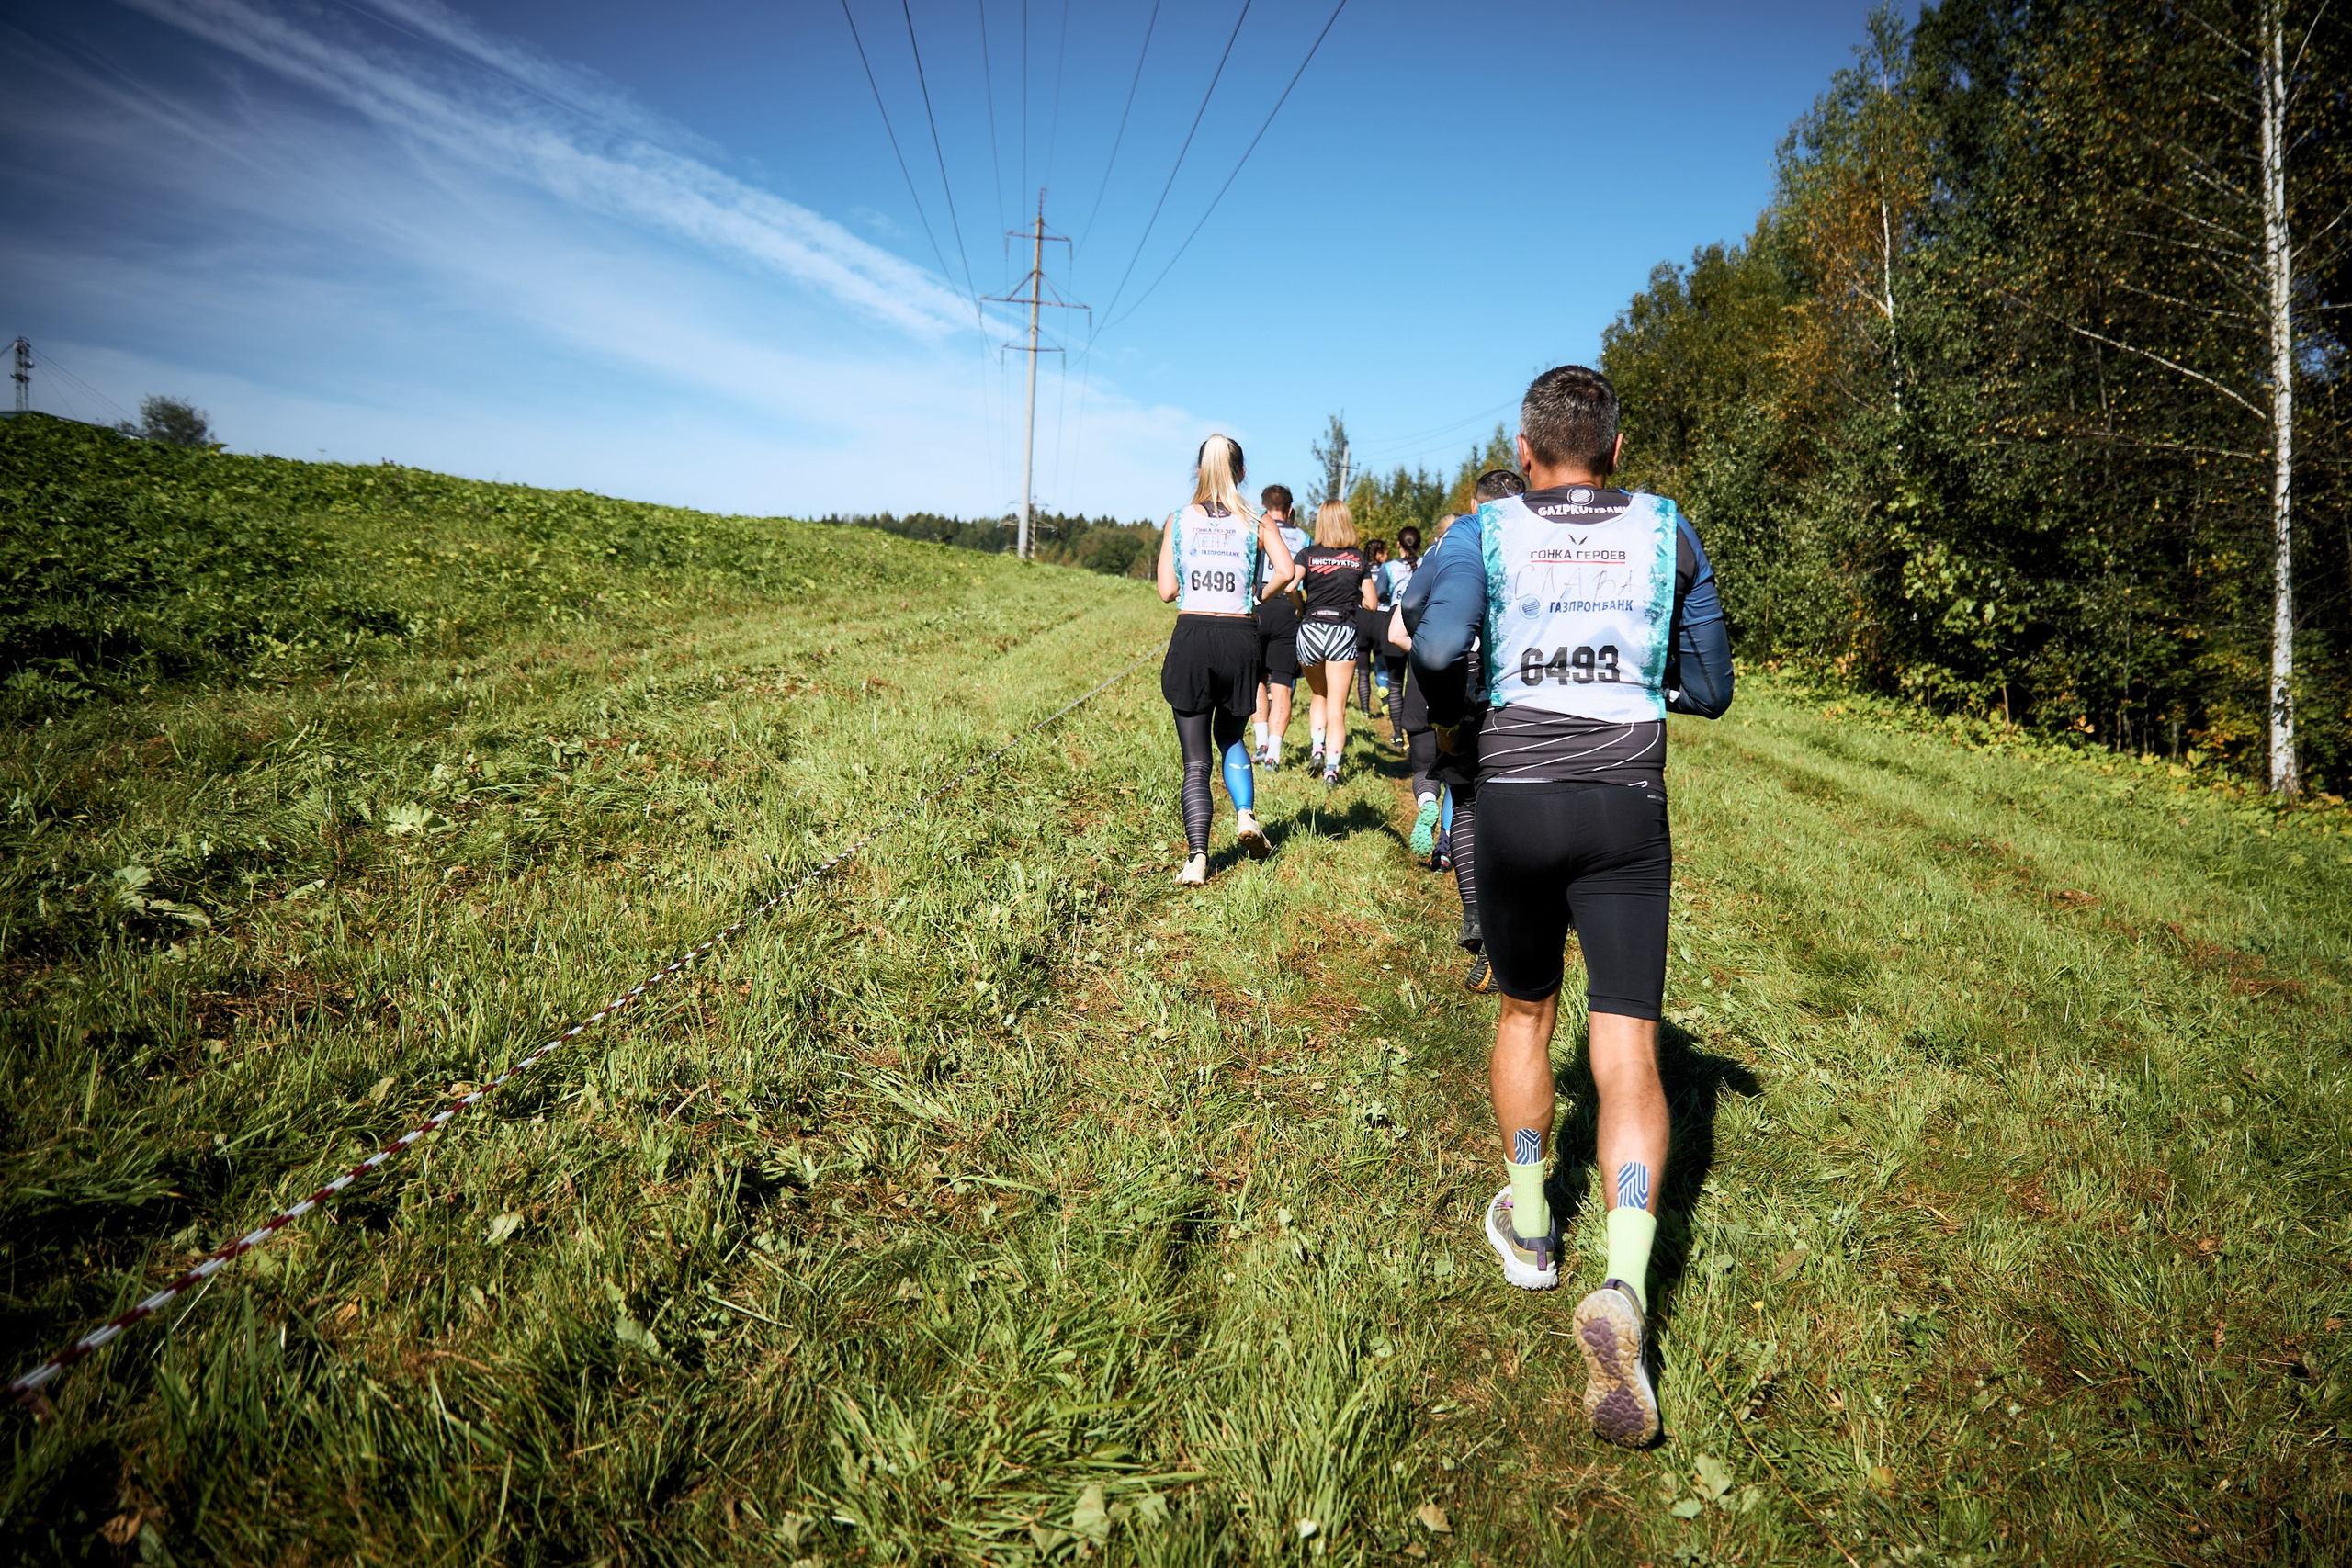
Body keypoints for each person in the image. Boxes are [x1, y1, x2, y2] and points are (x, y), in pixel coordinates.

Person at [1407, 366, 1732, 1448]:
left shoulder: (1482, 530)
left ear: (1524, 444)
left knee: (1524, 1013)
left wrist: (1463, 705)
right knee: (1628, 1050)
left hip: (1516, 803)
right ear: (1617, 449)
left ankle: (1535, 1224)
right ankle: (1627, 1285)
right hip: (1626, 802)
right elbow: (1713, 683)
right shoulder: (1666, 528)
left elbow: (1441, 649)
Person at [1396, 474, 1523, 994]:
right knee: (1516, 809)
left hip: (1465, 686)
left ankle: (1477, 915)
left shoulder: (1457, 539)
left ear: (1474, 505)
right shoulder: (1534, 536)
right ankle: (1510, 930)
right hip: (1521, 686)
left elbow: (1409, 608)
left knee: (1467, 802)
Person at [1156, 434, 1297, 886]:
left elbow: (1166, 591)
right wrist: (1257, 594)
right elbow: (1288, 572)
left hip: (1193, 634)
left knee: (1195, 761)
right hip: (1240, 636)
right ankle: (1246, 816)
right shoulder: (1257, 520)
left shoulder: (1178, 520)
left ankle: (1197, 858)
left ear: (1200, 471)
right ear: (1241, 474)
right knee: (1232, 738)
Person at [1294, 500, 1377, 788]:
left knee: (1319, 694)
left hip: (1311, 629)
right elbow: (1371, 602)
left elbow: (1291, 585)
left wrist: (1300, 605)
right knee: (1337, 708)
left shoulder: (1307, 554)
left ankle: (1316, 746)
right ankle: (1331, 769)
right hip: (1342, 630)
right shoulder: (1357, 559)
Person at [1250, 486, 1312, 769]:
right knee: (1283, 684)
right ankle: (1274, 753)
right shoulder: (1304, 537)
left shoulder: (1256, 528)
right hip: (1289, 608)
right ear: (1289, 510)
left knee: (1256, 678)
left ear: (1264, 507)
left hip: (1259, 602)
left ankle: (1260, 742)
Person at [1374, 525, 1423, 750]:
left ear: (1398, 545)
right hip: (1420, 620)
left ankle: (1396, 734)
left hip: (1394, 619)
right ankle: (1419, 733)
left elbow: (1379, 593)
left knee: (1395, 683)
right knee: (1419, 682)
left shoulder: (1389, 567)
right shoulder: (1427, 563)